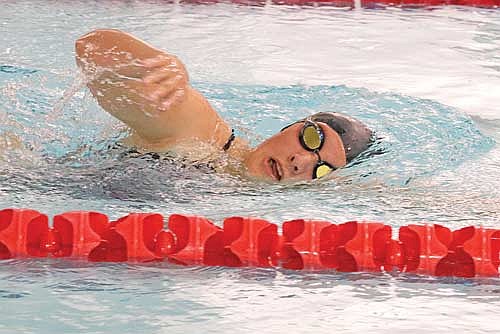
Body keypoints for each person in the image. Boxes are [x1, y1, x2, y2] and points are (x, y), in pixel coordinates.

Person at [75, 29, 373, 182]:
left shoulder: (260, 192)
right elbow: (90, 48)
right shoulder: (200, 133)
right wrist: (158, 65)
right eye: (311, 139)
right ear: (291, 127)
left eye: (321, 169)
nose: (301, 163)